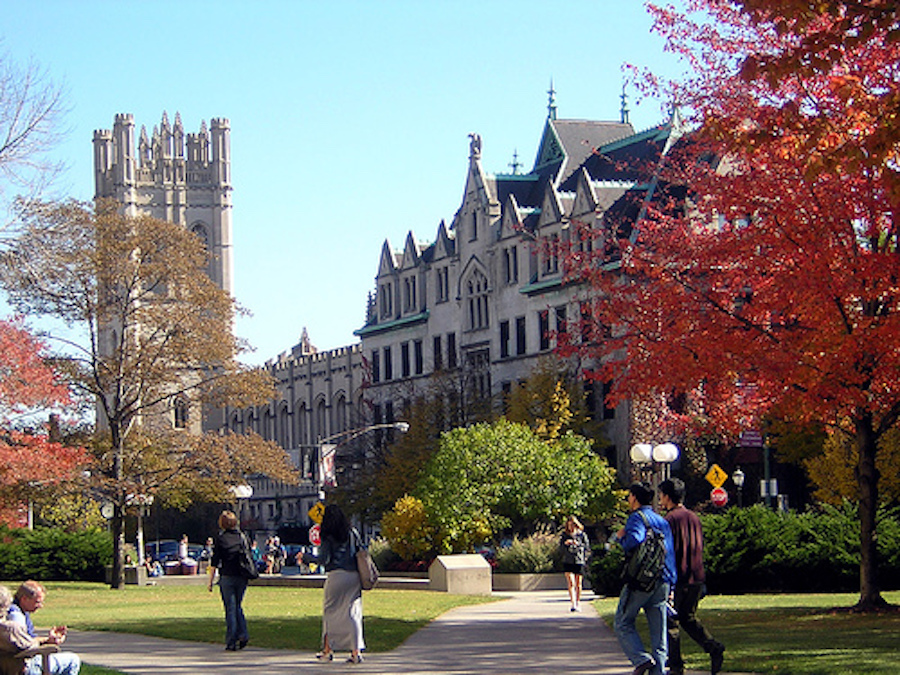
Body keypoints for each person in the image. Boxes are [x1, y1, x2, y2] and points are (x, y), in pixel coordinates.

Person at [658, 478, 726, 675]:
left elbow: (667, 552)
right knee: (687, 618)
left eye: (661, 495)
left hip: (678, 578)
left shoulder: (669, 520)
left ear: (668, 497)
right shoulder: (694, 517)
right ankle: (713, 647)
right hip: (696, 576)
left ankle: (676, 666)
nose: (660, 499)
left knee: (670, 622)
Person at [614, 482, 676, 675]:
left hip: (642, 581)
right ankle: (659, 671)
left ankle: (641, 659)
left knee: (623, 622)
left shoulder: (636, 518)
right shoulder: (661, 520)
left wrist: (620, 538)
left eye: (629, 496)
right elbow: (670, 552)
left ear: (634, 497)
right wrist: (670, 582)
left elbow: (634, 540)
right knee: (659, 634)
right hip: (662, 580)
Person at [315, 504, 365, 664]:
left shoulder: (327, 535)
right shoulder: (352, 532)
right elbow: (361, 550)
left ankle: (327, 650)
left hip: (336, 575)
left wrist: (308, 558)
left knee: (330, 612)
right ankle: (356, 652)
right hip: (354, 575)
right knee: (353, 613)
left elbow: (324, 559)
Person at [6, 581, 81, 675]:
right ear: (24, 599)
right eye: (37, 602)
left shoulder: (14, 611)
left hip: (14, 664)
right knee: (73, 660)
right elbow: (21, 646)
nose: (40, 606)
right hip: (25, 666)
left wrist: (48, 640)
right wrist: (45, 645)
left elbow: (27, 639)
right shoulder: (16, 617)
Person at [207, 510, 252, 651]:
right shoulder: (242, 537)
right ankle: (242, 634)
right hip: (241, 576)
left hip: (227, 576)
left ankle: (232, 640)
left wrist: (210, 581)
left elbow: (215, 561)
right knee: (237, 606)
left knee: (230, 609)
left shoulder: (221, 539)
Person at [560, 515, 589, 612]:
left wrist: (578, 544)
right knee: (571, 582)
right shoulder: (565, 535)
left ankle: (578, 601)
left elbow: (587, 547)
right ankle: (573, 603)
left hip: (578, 560)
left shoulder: (581, 535)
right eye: (569, 526)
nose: (571, 528)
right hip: (568, 560)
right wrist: (566, 543)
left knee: (578, 583)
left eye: (572, 525)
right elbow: (560, 548)